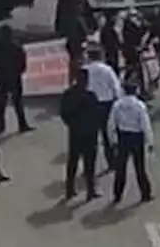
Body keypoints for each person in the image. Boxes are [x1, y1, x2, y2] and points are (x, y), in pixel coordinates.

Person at [107, 78, 154, 203]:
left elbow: (111, 124)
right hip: (137, 137)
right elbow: (145, 125)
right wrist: (150, 142)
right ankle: (145, 194)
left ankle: (117, 195)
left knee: (120, 168)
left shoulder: (117, 105)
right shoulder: (139, 105)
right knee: (140, 168)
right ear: (136, 91)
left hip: (123, 137)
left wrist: (113, 140)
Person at [59, 67, 103, 201]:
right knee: (90, 164)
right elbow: (98, 114)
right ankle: (91, 190)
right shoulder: (91, 96)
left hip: (75, 133)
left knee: (73, 161)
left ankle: (70, 189)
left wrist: (72, 125)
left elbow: (63, 114)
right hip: (90, 134)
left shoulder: (68, 94)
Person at [83, 48, 123, 167]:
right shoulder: (107, 70)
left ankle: (89, 165)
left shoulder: (85, 70)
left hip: (90, 105)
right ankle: (111, 161)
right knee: (108, 135)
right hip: (106, 104)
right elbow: (116, 87)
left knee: (90, 137)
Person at [0, 25, 31, 132]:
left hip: (2, 77)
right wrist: (18, 70)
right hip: (14, 77)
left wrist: (1, 68)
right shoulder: (16, 47)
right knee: (17, 102)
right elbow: (23, 62)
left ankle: (0, 125)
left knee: (2, 104)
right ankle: (22, 125)